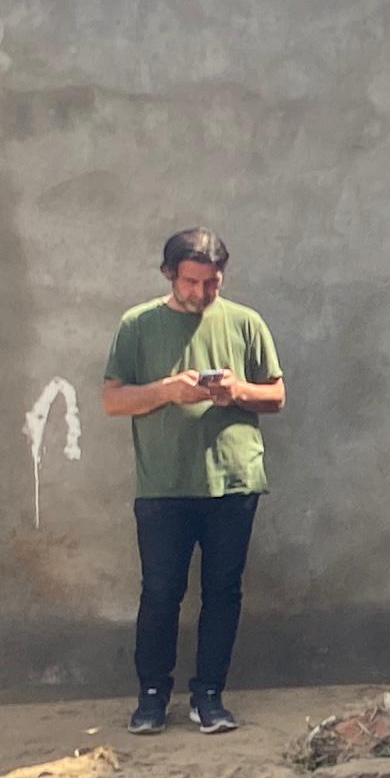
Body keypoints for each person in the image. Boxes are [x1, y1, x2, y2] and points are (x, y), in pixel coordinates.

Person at [98, 228, 284, 736]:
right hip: (163, 485)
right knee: (160, 591)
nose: (202, 293)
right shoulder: (137, 325)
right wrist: (166, 391)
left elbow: (276, 395)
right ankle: (152, 696)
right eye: (192, 282)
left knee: (223, 592)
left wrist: (235, 390)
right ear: (168, 275)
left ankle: (210, 695)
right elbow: (113, 400)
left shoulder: (246, 322)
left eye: (212, 283)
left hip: (234, 481)